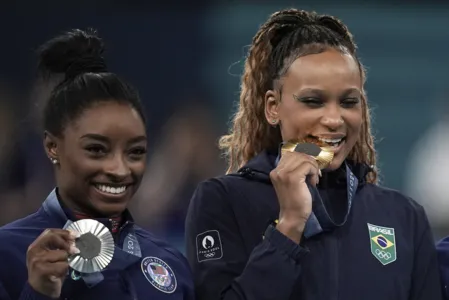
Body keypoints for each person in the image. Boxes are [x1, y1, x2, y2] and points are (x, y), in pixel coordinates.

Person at [185, 8, 442, 300]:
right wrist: (289, 226)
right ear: (273, 107)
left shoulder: (403, 217)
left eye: (348, 102)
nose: (334, 119)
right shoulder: (223, 201)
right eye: (313, 101)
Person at [0, 29, 194, 300]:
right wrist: (38, 293)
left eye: (135, 152)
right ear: (52, 147)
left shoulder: (171, 265)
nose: (119, 169)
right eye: (96, 149)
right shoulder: (7, 253)